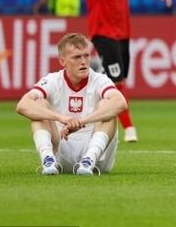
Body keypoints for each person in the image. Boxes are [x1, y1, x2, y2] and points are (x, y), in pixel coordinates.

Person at [78, 0, 173, 143]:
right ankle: (129, 129)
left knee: (115, 80)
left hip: (123, 28)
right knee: (117, 80)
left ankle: (94, 109)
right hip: (102, 28)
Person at [15, 33, 128, 175]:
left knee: (108, 105)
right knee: (39, 104)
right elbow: (23, 105)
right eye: (77, 57)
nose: (84, 62)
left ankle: (88, 160)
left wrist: (81, 121)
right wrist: (63, 118)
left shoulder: (100, 80)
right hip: (61, 149)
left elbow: (121, 102)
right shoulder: (53, 80)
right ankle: (48, 160)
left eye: (86, 56)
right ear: (63, 61)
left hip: (96, 155)